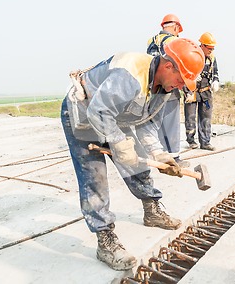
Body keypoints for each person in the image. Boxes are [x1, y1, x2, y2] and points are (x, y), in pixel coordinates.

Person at [61, 38, 205, 271]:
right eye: (181, 79)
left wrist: (159, 154)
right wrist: (118, 142)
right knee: (94, 177)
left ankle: (152, 210)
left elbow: (146, 122)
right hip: (83, 114)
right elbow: (99, 110)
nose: (180, 85)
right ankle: (105, 239)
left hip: (116, 115)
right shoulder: (131, 74)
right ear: (169, 67)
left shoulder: (165, 87)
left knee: (137, 163)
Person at [146, 14, 189, 167]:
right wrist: (187, 91)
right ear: (176, 27)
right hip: (170, 87)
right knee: (171, 123)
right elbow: (181, 67)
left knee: (156, 122)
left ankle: (158, 154)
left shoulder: (151, 41)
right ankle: (174, 158)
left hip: (154, 86)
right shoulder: (174, 41)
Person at [184, 32, 220, 151]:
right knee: (190, 117)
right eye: (209, 48)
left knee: (206, 118)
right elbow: (184, 73)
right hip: (192, 91)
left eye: (213, 48)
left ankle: (205, 142)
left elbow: (215, 72)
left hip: (206, 92)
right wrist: (192, 80)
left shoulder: (212, 58)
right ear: (202, 45)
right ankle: (191, 141)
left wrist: (215, 81)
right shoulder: (192, 55)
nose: (211, 50)